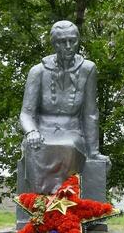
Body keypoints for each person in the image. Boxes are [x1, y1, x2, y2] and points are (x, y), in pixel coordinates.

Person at [19, 20, 109, 194]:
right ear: (54, 44)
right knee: (33, 147)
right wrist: (31, 132)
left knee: (69, 145)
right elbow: (26, 113)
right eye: (62, 42)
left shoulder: (88, 69)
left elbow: (90, 113)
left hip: (73, 132)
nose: (68, 46)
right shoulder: (37, 71)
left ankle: (66, 202)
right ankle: (40, 205)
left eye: (72, 41)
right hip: (42, 132)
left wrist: (94, 152)